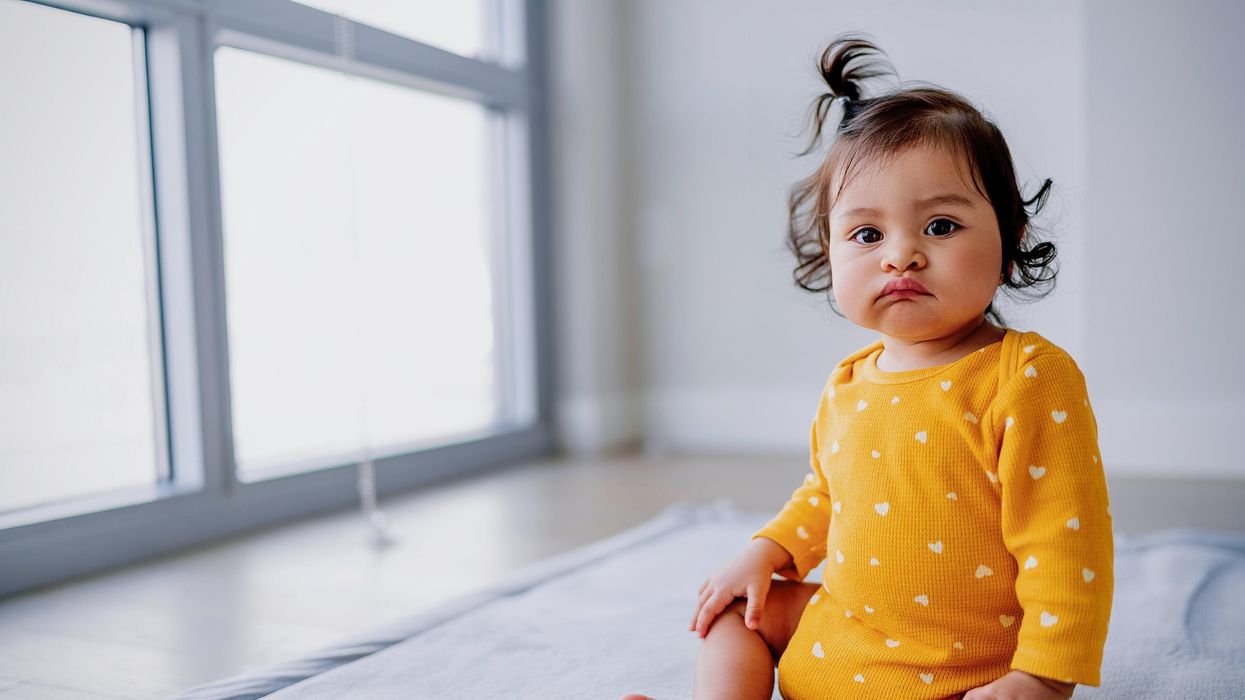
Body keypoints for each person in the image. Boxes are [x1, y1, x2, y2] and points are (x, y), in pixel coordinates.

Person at [625, 33, 1113, 700]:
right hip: (846, 634)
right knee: (734, 611)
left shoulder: (1024, 376)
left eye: (940, 226)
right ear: (829, 255)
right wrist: (767, 551)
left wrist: (1042, 678)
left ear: (1009, 242)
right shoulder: (850, 382)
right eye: (866, 234)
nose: (900, 255)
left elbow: (1067, 539)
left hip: (963, 666)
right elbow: (827, 495)